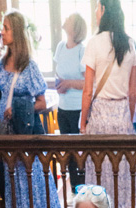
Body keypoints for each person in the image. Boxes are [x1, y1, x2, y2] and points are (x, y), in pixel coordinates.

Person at [0, 10, 59, 208]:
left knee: (30, 176)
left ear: (18, 33)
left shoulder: (29, 66)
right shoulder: (1, 63)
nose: (2, 31)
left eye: (7, 28)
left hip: (25, 130)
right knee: (12, 174)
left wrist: (23, 109)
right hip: (7, 131)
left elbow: (41, 101)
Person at [80, 0, 136, 208]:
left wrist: (83, 122)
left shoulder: (94, 43)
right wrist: (128, 119)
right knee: (126, 175)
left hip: (100, 117)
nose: (96, 11)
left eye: (97, 7)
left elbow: (87, 91)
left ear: (103, 10)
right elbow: (132, 93)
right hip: (122, 114)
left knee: (98, 176)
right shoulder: (130, 43)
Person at [54, 11, 86, 188]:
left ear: (76, 28)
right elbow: (59, 72)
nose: (64, 19)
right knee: (68, 151)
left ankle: (83, 187)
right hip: (63, 107)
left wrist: (68, 84)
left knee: (79, 151)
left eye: (69, 19)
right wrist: (60, 83)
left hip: (78, 108)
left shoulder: (82, 50)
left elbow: (87, 83)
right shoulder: (60, 46)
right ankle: (74, 188)